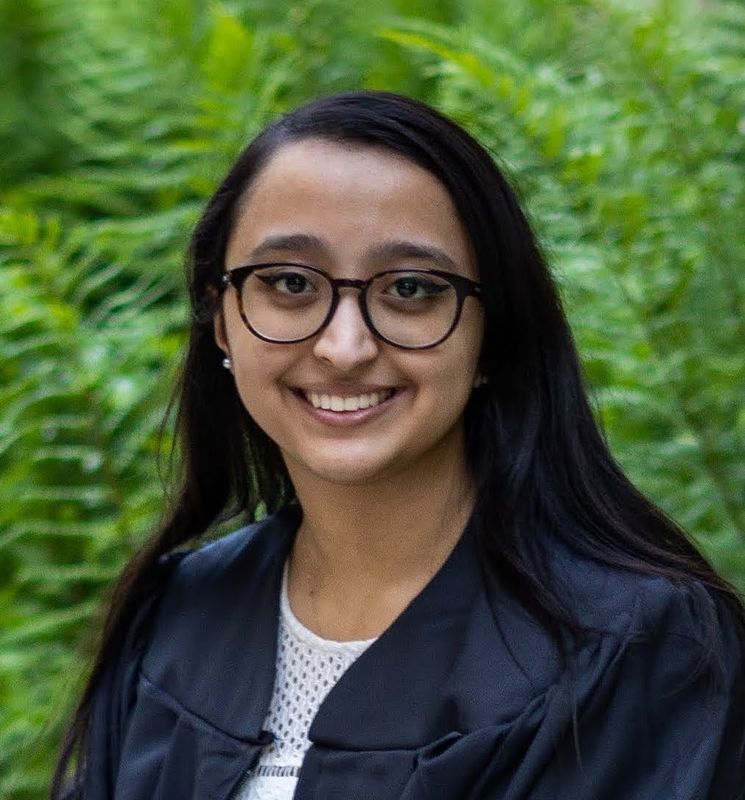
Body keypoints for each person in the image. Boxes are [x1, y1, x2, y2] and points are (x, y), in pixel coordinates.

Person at [51, 91, 745, 800]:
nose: (344, 347)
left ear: (490, 334)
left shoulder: (630, 647)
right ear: (221, 319)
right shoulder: (178, 615)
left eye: (411, 288)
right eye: (288, 282)